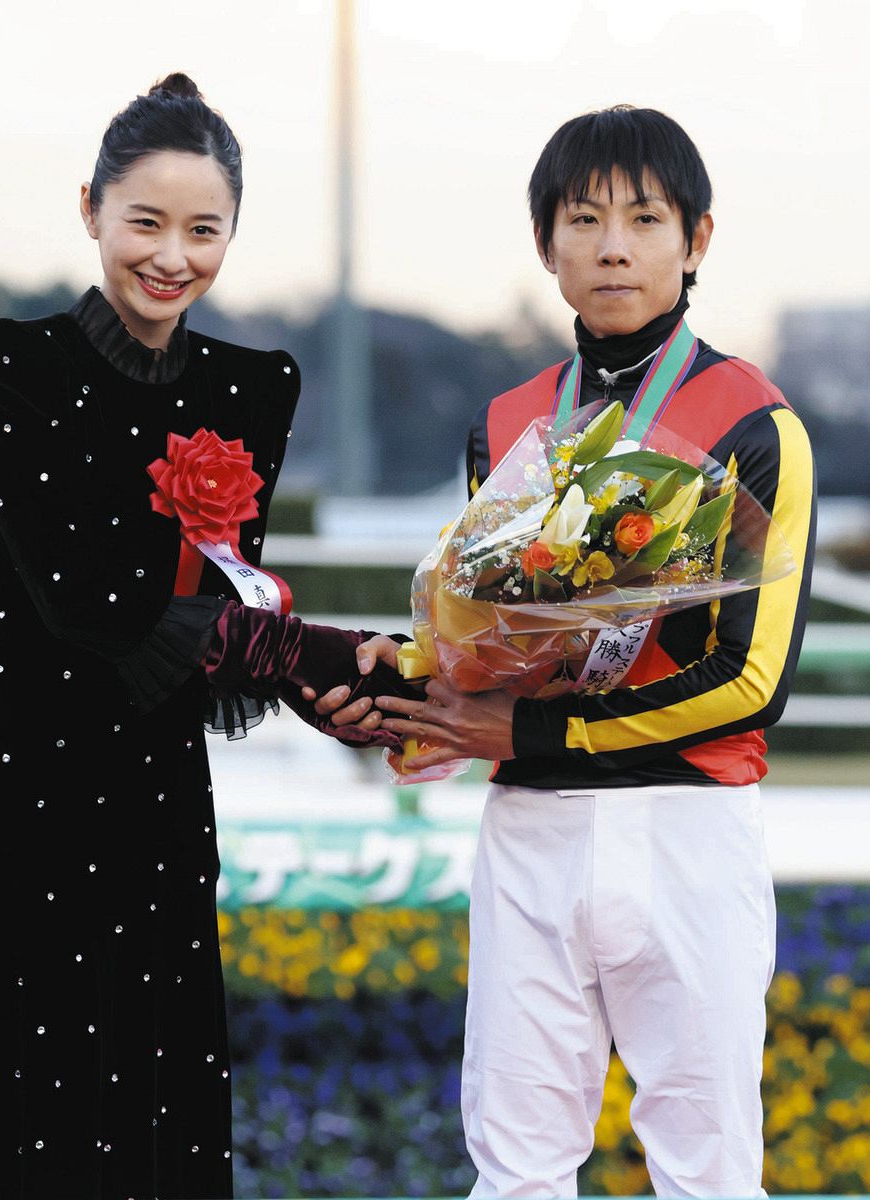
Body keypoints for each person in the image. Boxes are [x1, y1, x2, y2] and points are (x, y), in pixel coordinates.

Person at [0, 74, 407, 1200]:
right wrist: (321, 656)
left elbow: (221, 612)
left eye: (203, 229)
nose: (172, 256)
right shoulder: (8, 366)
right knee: (6, 1115)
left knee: (145, 1112)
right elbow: (89, 600)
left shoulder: (252, 386)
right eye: (146, 222)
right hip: (12, 788)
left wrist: (354, 696)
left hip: (151, 792)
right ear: (90, 210)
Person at [343, 106, 816, 1196]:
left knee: (704, 1172)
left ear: (694, 240)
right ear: (545, 243)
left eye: (643, 219)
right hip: (529, 832)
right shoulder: (504, 420)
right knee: (512, 1168)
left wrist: (530, 727)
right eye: (583, 217)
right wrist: (410, 689)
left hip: (687, 829)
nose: (612, 245)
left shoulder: (754, 421)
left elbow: (752, 681)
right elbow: (485, 643)